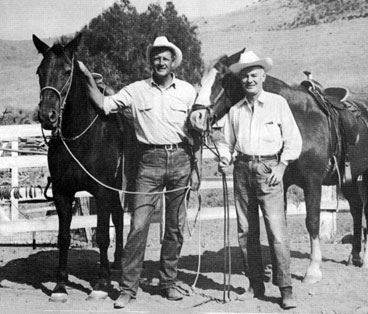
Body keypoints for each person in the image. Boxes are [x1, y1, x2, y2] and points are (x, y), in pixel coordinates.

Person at [79, 36, 201, 308]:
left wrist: (196, 168)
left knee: (175, 226)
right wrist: (86, 76)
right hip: (149, 162)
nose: (160, 62)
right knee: (138, 225)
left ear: (173, 63)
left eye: (165, 58)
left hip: (182, 159)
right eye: (156, 57)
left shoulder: (188, 92)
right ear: (151, 62)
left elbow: (197, 131)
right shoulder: (136, 90)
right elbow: (103, 104)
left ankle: (168, 282)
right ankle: (128, 288)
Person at [217, 51, 302, 310]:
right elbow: (225, 141)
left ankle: (285, 288)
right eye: (245, 75)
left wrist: (282, 166)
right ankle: (255, 284)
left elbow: (293, 139)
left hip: (268, 170)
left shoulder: (277, 103)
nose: (249, 79)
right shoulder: (235, 110)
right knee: (246, 231)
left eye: (254, 74)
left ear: (263, 76)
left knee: (277, 232)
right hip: (242, 169)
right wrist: (224, 158)